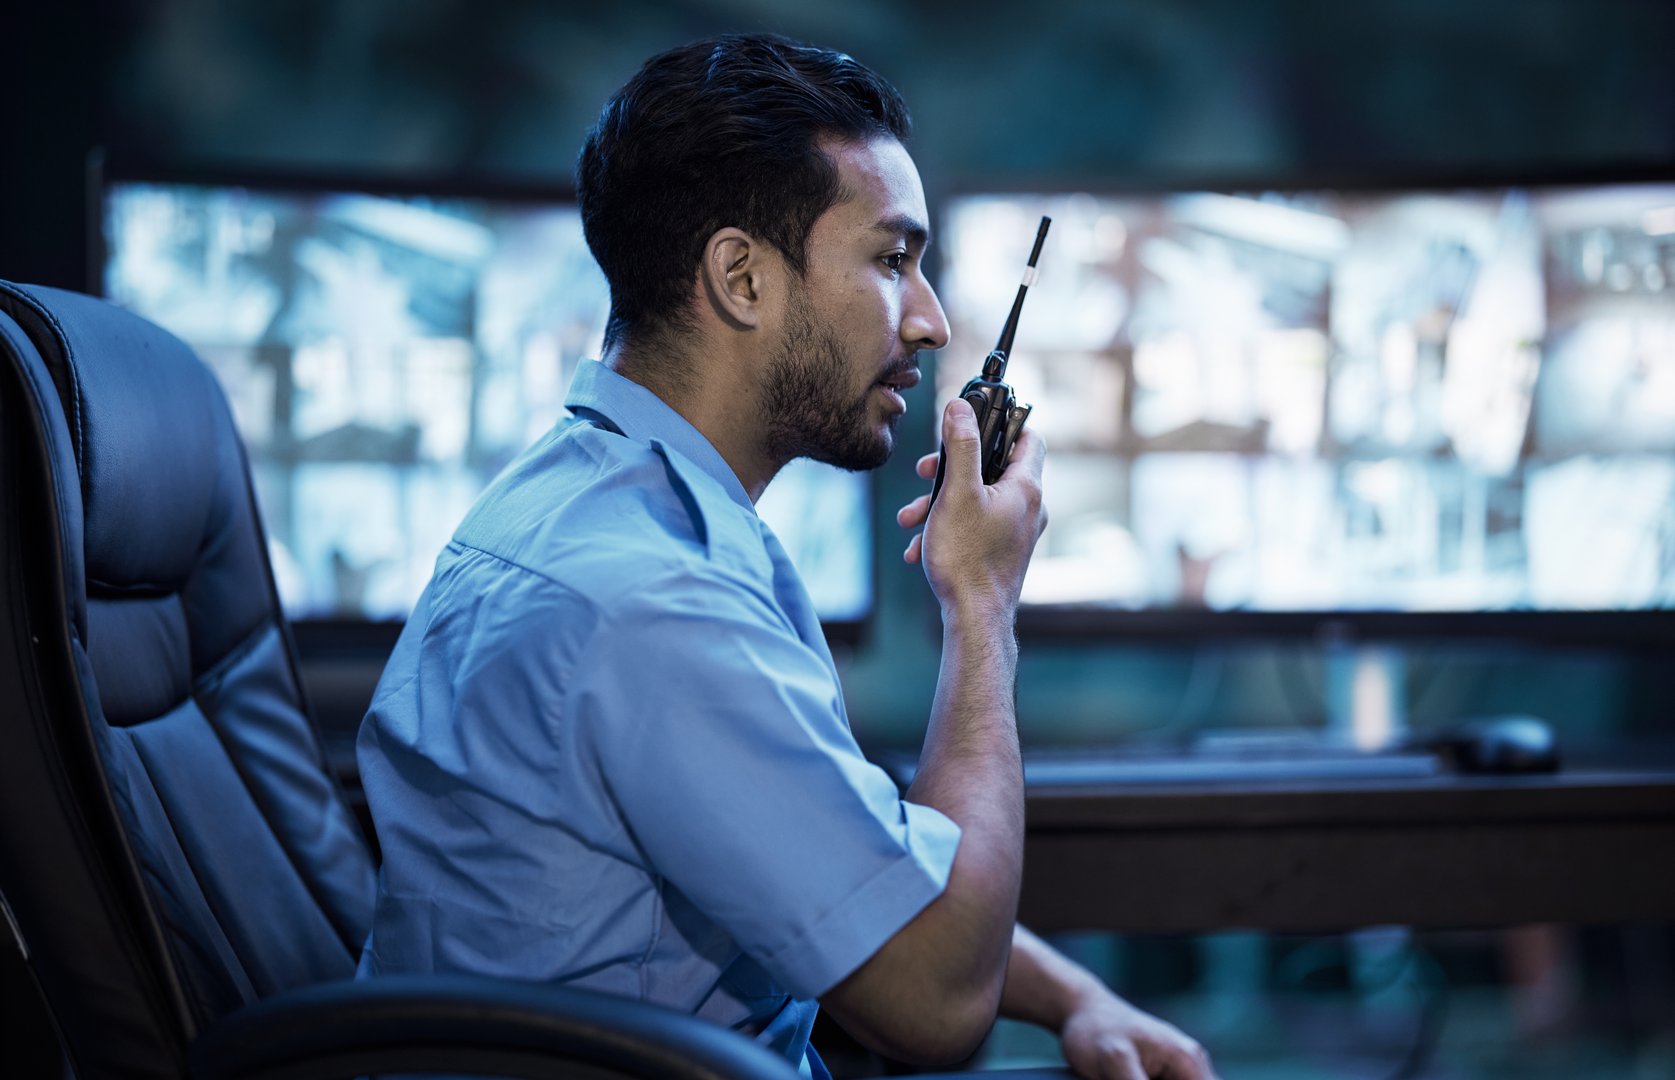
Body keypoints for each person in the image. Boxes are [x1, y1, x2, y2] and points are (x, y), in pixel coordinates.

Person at [356, 32, 1217, 1080]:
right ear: (741, 278)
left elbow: (843, 857)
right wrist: (981, 602)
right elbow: (936, 1002)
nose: (932, 321)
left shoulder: (584, 504)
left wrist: (1076, 996)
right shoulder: (652, 604)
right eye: (892, 260)